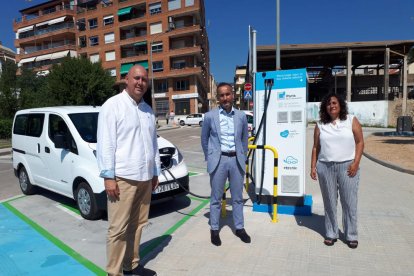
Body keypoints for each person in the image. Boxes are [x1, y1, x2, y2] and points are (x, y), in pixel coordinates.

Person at [97, 65, 160, 276]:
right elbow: (106, 144)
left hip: (144, 177)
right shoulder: (112, 106)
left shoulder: (147, 110)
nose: (140, 82)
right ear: (127, 79)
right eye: (136, 78)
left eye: (144, 79)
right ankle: (113, 272)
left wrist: (155, 172)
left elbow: (153, 144)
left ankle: (131, 265)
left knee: (138, 224)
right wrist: (108, 177)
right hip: (122, 178)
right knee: (118, 229)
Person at [310, 92, 364, 249]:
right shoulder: (320, 124)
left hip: (348, 167)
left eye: (334, 103)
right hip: (325, 167)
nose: (331, 106)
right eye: (328, 104)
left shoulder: (351, 120)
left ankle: (351, 235)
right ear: (324, 108)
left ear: (340, 105)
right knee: (329, 202)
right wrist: (313, 166)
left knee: (349, 202)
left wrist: (356, 162)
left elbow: (360, 142)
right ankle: (331, 233)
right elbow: (315, 147)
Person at [201, 82, 250, 246]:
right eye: (221, 95)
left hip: (236, 160)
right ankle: (214, 229)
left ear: (233, 95)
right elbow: (204, 140)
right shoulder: (209, 116)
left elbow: (244, 140)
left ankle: (239, 228)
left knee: (237, 198)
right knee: (216, 198)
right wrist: (211, 156)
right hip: (219, 160)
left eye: (227, 94)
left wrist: (243, 157)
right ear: (218, 98)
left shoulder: (241, 116)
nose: (225, 98)